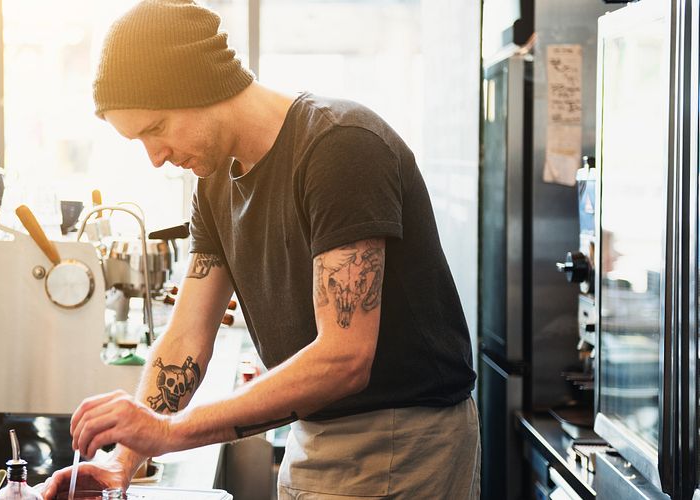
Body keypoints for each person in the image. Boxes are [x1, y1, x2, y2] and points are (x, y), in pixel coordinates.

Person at [39, 1, 480, 499]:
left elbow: (345, 359)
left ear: (200, 83)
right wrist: (125, 459)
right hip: (313, 436)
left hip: (397, 440)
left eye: (155, 128)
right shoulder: (214, 186)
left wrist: (170, 432)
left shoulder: (340, 147)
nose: (156, 157)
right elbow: (185, 337)